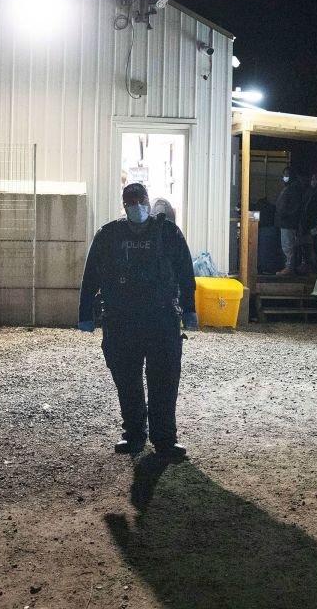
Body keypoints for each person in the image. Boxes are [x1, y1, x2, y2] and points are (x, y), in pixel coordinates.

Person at [78, 183, 197, 461]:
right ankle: (134, 435)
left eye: (140, 200)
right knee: (128, 382)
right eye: (130, 201)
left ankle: (165, 439)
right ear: (124, 205)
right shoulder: (108, 235)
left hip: (161, 321)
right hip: (121, 322)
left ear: (148, 200)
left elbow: (185, 273)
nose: (136, 206)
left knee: (164, 382)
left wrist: (190, 310)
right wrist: (85, 313)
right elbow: (90, 277)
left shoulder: (168, 233)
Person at [274, 166, 304, 276]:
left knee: (288, 245)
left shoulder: (293, 189)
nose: (284, 177)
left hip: (288, 223)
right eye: (284, 175)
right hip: (285, 222)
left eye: (286, 175)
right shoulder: (289, 188)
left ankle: (289, 267)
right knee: (287, 245)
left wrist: (284, 215)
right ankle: (289, 266)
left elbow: (293, 207)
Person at [297, 172, 317, 274]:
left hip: (314, 224)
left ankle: (314, 268)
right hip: (306, 224)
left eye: (315, 179)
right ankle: (307, 267)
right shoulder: (308, 192)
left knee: (313, 246)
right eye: (312, 179)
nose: (313, 181)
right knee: (305, 246)